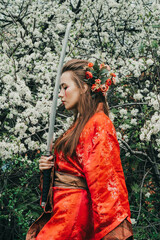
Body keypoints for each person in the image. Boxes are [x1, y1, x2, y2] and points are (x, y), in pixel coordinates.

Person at [26, 59, 134, 240]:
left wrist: (111, 233)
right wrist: (50, 169)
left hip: (74, 215)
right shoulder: (80, 125)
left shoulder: (98, 123)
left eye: (65, 87)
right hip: (64, 210)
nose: (60, 94)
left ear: (84, 87)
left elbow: (104, 182)